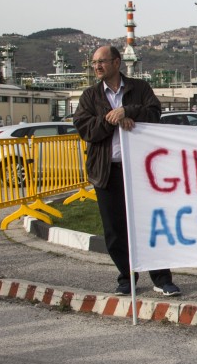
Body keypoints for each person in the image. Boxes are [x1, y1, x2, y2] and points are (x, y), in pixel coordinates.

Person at [74, 44, 181, 297]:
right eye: (94, 63)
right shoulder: (90, 96)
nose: (97, 66)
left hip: (141, 172)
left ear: (117, 62)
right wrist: (112, 119)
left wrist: (129, 110)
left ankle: (162, 278)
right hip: (107, 171)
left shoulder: (140, 88)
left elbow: (154, 114)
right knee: (115, 229)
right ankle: (127, 277)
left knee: (150, 224)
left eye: (102, 61)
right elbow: (84, 127)